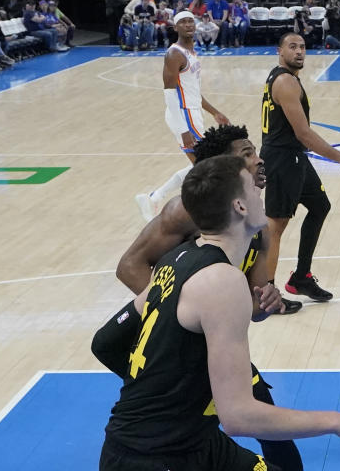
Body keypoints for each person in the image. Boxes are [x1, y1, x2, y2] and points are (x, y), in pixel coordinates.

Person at [96, 155, 340, 470]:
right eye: (252, 189)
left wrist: (164, 388)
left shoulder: (176, 259)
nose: (260, 192)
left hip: (188, 442)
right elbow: (238, 416)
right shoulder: (223, 281)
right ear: (240, 207)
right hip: (155, 458)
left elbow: (106, 342)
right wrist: (336, 421)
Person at [93, 125, 304, 469]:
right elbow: (129, 265)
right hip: (179, 350)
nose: (259, 160)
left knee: (271, 428)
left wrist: (268, 302)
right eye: (246, 154)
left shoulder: (258, 226)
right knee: (238, 417)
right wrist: (178, 312)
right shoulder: (185, 214)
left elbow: (253, 308)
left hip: (217, 337)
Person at [261, 33, 340, 302]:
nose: (299, 51)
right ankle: (267, 293)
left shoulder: (286, 78)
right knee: (276, 226)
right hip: (282, 159)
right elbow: (304, 133)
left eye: (303, 47)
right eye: (292, 47)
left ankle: (301, 277)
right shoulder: (285, 82)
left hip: (294, 157)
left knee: (320, 206)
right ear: (279, 51)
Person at [135, 11, 230, 221]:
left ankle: (154, 197)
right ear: (175, 27)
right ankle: (198, 212)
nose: (188, 24)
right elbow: (169, 94)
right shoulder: (174, 54)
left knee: (203, 163)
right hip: (183, 115)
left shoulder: (191, 53)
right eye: (182, 22)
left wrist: (215, 112)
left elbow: (193, 91)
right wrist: (183, 129)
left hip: (193, 113)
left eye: (190, 21)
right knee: (206, 165)